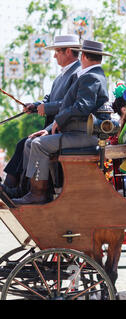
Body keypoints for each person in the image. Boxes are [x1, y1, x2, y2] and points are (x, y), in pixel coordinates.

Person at [12, 40, 111, 205]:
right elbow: (69, 104)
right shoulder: (89, 75)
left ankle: (39, 194)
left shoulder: (91, 77)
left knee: (38, 144)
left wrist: (58, 119)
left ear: (84, 55)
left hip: (84, 135)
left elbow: (82, 107)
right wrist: (47, 122)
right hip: (76, 133)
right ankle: (29, 191)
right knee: (32, 143)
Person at [0, 35, 82, 198]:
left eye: (57, 51)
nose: (54, 56)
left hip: (65, 128)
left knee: (29, 143)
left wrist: (47, 107)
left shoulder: (78, 74)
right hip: (54, 129)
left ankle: (25, 191)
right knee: (22, 143)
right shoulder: (61, 76)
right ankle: (10, 187)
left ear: (67, 51)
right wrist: (35, 106)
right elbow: (50, 99)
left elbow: (70, 105)